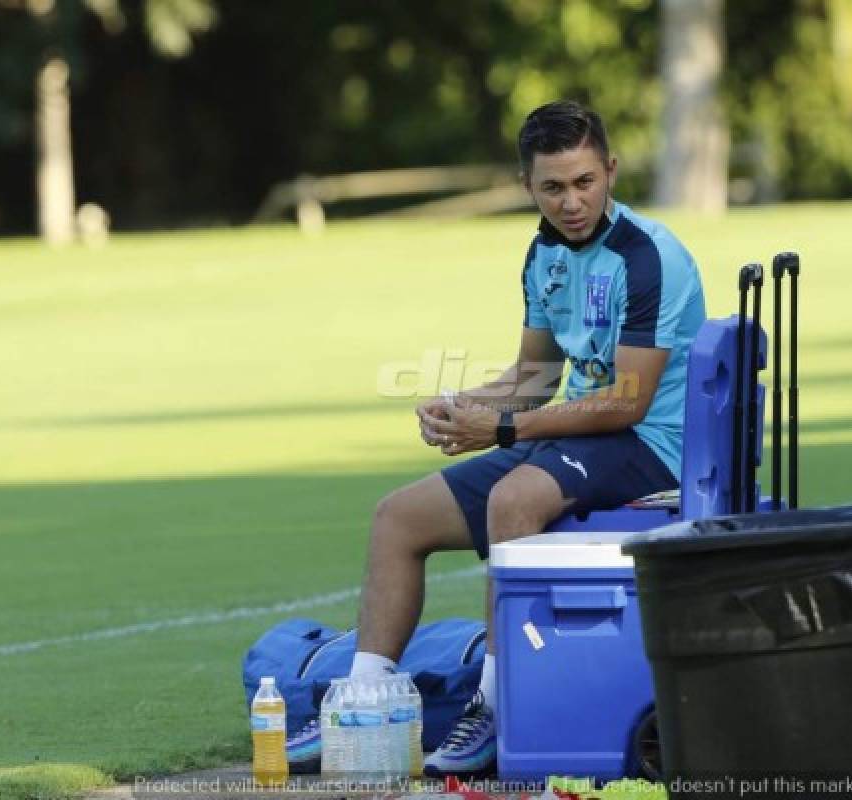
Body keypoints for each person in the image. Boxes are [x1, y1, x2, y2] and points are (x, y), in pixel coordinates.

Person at [287, 100, 706, 777]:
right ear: (527, 187)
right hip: (583, 430)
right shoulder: (544, 253)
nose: (571, 202)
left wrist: (503, 427)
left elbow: (628, 401)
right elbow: (536, 379)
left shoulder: (649, 257)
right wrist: (465, 406)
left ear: (610, 170)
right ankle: (363, 700)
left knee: (513, 499)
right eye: (553, 187)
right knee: (398, 517)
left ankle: (495, 703)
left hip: (651, 443)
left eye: (585, 182)